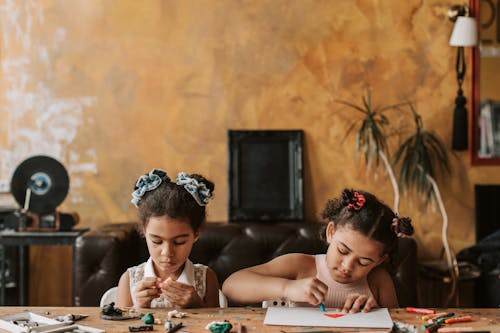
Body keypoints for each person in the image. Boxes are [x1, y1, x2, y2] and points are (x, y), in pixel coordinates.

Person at [222, 188, 414, 313]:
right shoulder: (300, 266)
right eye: (343, 251)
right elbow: (231, 286)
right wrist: (287, 288)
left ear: (380, 260)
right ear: (331, 232)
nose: (347, 266)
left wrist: (376, 311)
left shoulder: (379, 281)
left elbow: (397, 324)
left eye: (364, 262)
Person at [116, 168, 220, 308]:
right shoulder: (129, 279)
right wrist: (138, 308)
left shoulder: (206, 278)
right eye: (156, 241)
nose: (167, 253)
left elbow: (215, 325)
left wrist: (197, 305)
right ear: (143, 231)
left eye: (179, 242)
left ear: (196, 234)